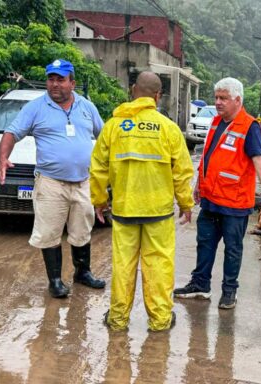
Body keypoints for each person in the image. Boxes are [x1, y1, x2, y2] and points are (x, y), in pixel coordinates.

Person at [91, 71, 194, 332]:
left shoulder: (114, 126)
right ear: (158, 96)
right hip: (158, 212)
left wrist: (100, 200)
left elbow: (98, 167)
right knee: (158, 266)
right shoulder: (168, 129)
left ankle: (117, 319)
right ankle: (159, 321)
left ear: (133, 90)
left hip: (125, 209)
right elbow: (182, 171)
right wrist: (185, 203)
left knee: (123, 266)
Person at [0, 59, 106, 298]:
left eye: (60, 79)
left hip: (83, 182)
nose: (55, 84)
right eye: (51, 79)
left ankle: (82, 272)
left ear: (72, 83)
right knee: (50, 232)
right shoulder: (35, 108)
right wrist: (3, 158)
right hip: (50, 183)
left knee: (82, 230)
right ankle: (55, 281)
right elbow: (11, 133)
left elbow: (105, 136)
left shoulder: (87, 107)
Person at [174, 77, 261, 309]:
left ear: (237, 100)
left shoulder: (249, 126)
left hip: (234, 204)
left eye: (223, 98)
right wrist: (198, 185)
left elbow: (258, 158)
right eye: (216, 97)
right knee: (204, 243)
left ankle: (229, 291)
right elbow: (208, 156)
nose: (218, 102)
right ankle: (200, 285)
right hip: (211, 200)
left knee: (233, 249)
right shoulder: (216, 122)